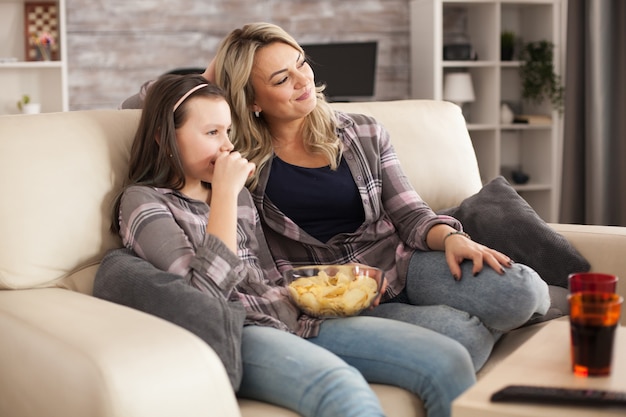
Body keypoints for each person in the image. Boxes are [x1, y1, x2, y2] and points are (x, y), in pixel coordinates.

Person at [102, 73, 477, 417]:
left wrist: (334, 286)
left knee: (449, 360)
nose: (227, 145)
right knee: (343, 391)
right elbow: (204, 299)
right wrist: (227, 196)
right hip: (240, 331)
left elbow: (266, 274)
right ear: (163, 137)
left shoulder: (236, 196)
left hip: (293, 318)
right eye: (211, 132)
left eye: (228, 131)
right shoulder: (144, 201)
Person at [205, 22, 550, 369]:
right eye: (281, 79)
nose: (303, 80)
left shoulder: (362, 131)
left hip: (400, 263)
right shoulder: (238, 168)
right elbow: (162, 102)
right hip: (337, 298)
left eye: (301, 62)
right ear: (251, 101)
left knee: (523, 292)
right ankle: (462, 322)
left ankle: (484, 314)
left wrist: (450, 238)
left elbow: (411, 213)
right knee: (465, 340)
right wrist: (214, 75)